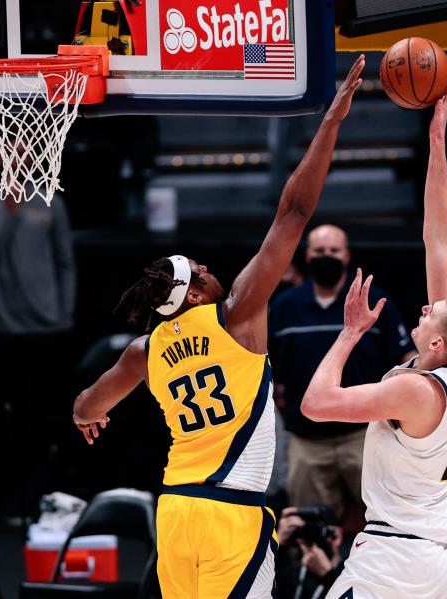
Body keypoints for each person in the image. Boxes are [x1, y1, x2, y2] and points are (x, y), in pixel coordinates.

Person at [72, 56, 367, 599]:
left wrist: (86, 415)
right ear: (197, 294)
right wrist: (331, 123)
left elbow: (89, 404)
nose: (211, 271)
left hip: (177, 509)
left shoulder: (145, 349)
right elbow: (294, 214)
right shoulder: (238, 316)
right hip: (231, 513)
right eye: (203, 273)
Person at [300, 79, 447, 599]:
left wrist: (349, 335)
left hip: (395, 560)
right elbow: (439, 240)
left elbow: (316, 404)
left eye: (432, 314)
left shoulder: (416, 391)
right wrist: (437, 142)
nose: (426, 307)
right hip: (435, 561)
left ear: (436, 345)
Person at [269, 224, 416, 523]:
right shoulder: (285, 307)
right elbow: (266, 365)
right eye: (319, 251)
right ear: (307, 256)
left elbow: (408, 358)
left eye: (333, 251)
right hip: (306, 440)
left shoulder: (373, 300)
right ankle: (311, 572)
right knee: (307, 529)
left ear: (347, 256)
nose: (327, 256)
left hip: (366, 434)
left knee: (388, 519)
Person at [0, 150, 76, 517]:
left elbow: (65, 262)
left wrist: (64, 311)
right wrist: (8, 211)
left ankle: (34, 500)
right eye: (9, 145)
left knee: (38, 419)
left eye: (26, 145)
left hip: (43, 328)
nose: (19, 153)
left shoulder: (51, 202)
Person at [275, 505, 344, 599]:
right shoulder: (291, 573)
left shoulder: (351, 571)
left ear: (338, 536)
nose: (313, 536)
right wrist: (277, 545)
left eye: (318, 530)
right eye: (307, 530)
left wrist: (328, 575)